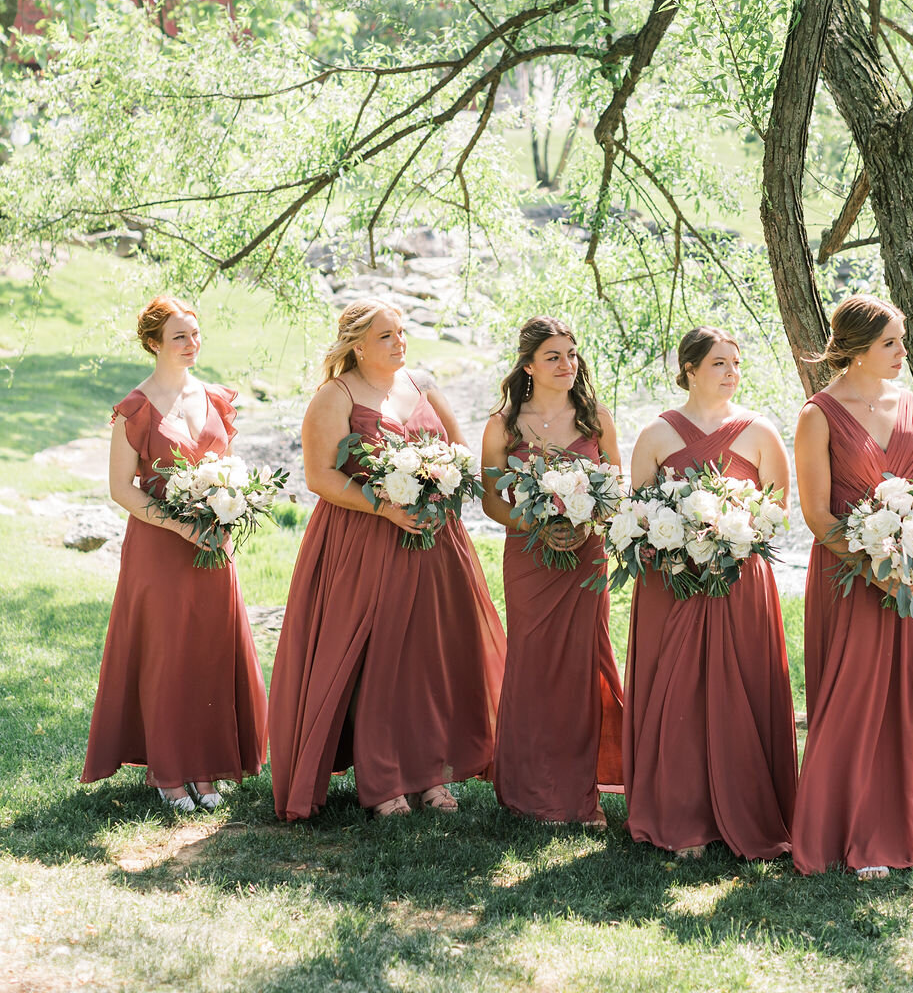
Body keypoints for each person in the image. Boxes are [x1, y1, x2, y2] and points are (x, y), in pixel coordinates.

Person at [269, 299, 506, 820]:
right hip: (364, 541)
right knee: (377, 660)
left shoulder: (421, 384)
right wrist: (383, 504)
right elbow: (319, 476)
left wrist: (441, 483)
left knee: (429, 659)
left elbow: (462, 455)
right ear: (357, 345)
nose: (400, 343)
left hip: (435, 541)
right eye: (386, 336)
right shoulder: (335, 397)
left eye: (402, 332)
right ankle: (383, 782)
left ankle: (429, 775)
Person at [81, 295, 268, 813]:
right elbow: (122, 489)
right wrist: (182, 528)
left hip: (213, 546)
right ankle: (167, 771)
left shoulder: (214, 398)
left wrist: (231, 506)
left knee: (208, 651)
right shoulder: (134, 408)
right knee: (166, 655)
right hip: (159, 549)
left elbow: (227, 471)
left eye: (195, 333)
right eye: (180, 336)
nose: (192, 344)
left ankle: (204, 768)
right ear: (153, 343)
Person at [791, 294, 913, 878]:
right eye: (891, 342)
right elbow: (816, 513)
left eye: (901, 339)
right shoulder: (817, 416)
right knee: (855, 702)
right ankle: (854, 831)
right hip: (851, 579)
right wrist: (873, 566)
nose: (902, 352)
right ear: (856, 349)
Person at [624, 326, 797, 859]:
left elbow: (777, 512)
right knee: (677, 693)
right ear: (690, 369)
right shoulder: (655, 434)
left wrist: (731, 534)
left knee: (740, 688)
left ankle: (747, 807)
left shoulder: (760, 431)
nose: (731, 373)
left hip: (737, 581)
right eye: (719, 363)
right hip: (672, 584)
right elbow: (637, 514)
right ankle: (682, 816)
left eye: (735, 363)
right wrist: (674, 542)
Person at [481, 316, 624, 826]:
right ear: (528, 366)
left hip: (586, 559)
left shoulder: (595, 419)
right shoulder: (504, 425)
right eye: (554, 357)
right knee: (534, 664)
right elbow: (491, 500)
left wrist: (588, 525)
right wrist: (533, 524)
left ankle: (580, 795)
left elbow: (616, 491)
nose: (568, 364)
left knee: (583, 666)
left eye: (572, 353)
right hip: (528, 557)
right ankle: (528, 790)